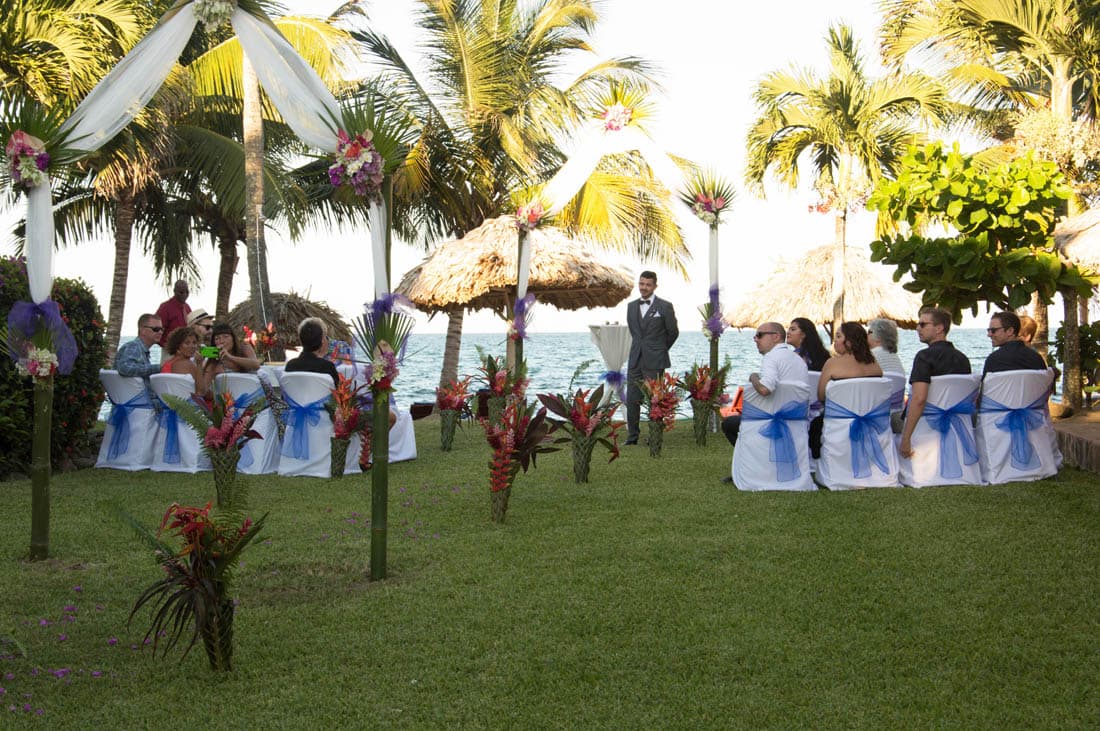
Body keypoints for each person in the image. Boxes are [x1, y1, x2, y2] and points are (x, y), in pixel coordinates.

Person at [721, 322, 808, 466]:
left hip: (771, 422)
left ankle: (751, 464)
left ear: (776, 337)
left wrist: (753, 377)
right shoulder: (797, 360)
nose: (755, 339)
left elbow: (765, 389)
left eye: (759, 335)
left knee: (730, 424)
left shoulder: (771, 357)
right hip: (797, 422)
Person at [898, 307, 971, 459]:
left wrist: (906, 438)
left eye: (923, 324)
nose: (917, 328)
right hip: (956, 422)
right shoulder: (962, 358)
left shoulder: (924, 357)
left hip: (927, 423)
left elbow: (919, 399)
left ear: (939, 328)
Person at [625, 271, 678, 445]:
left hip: (655, 361)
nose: (644, 287)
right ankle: (632, 437)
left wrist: (660, 350)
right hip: (635, 360)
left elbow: (672, 333)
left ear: (655, 286)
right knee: (632, 399)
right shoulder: (631, 306)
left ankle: (654, 435)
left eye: (648, 284)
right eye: (641, 284)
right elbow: (635, 333)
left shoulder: (665, 306)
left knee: (655, 400)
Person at [817, 322, 883, 401]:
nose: (834, 340)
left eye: (838, 336)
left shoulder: (832, 363)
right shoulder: (874, 363)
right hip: (872, 412)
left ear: (849, 342)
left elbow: (821, 397)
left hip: (840, 412)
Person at [285, 317, 339, 387]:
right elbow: (337, 392)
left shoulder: (290, 366)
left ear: (301, 340)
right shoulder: (327, 367)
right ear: (322, 341)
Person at [114, 314, 163, 390]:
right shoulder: (134, 346)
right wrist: (159, 368)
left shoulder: (141, 349)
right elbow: (125, 368)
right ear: (142, 330)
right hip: (140, 400)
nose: (160, 332)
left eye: (162, 329)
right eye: (156, 329)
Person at [160, 326, 207, 396]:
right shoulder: (187, 364)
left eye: (194, 343)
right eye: (187, 343)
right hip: (188, 405)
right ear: (178, 346)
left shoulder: (167, 363)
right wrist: (199, 364)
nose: (192, 346)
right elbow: (201, 392)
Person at [154, 280, 191, 348]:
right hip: (170, 350)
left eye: (187, 292)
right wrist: (168, 347)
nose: (185, 294)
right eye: (181, 292)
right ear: (175, 291)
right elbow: (156, 330)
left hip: (185, 350)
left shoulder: (187, 307)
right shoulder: (165, 307)